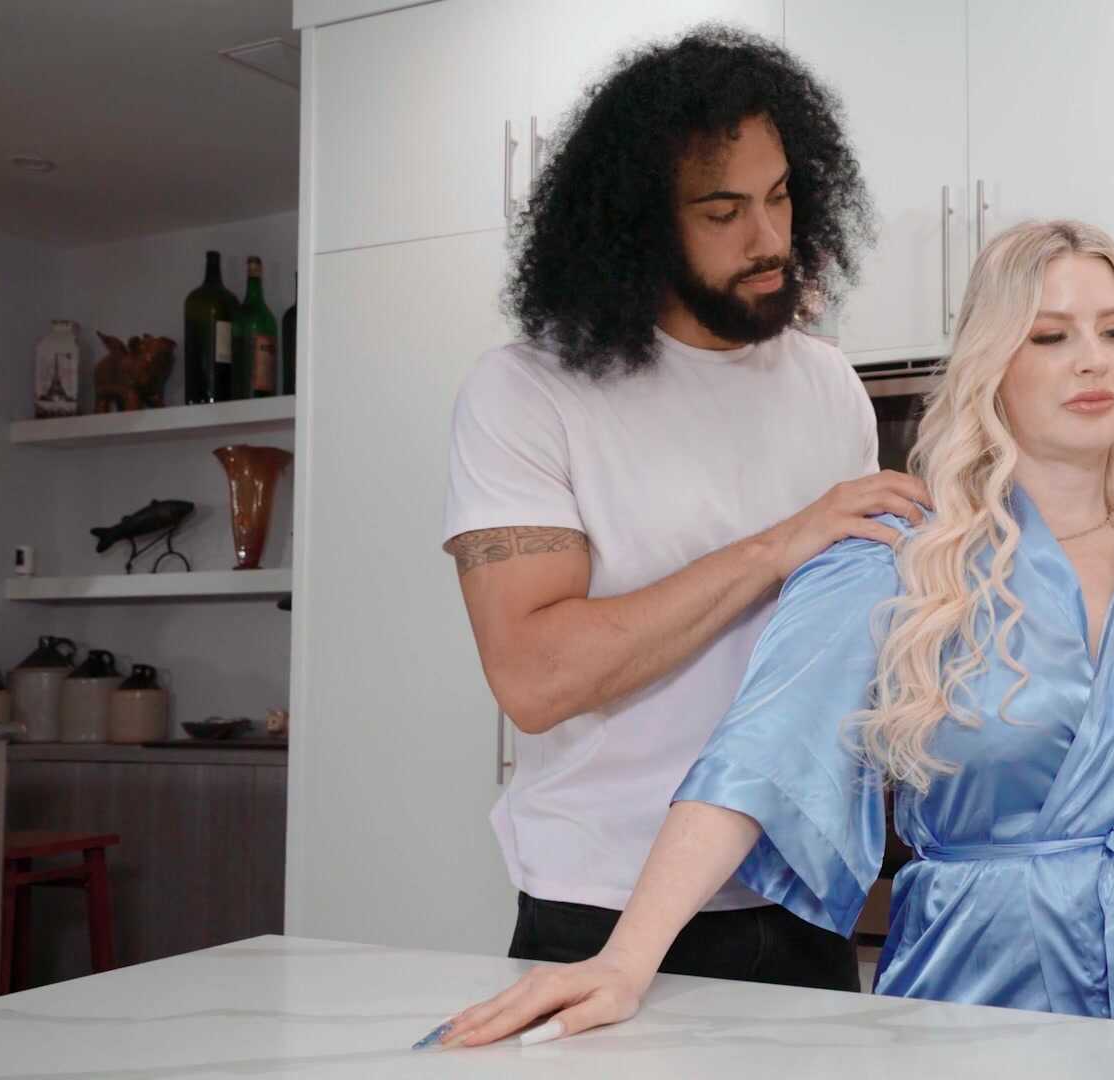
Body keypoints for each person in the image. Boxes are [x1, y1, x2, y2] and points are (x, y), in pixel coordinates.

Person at [436, 221, 1114, 1049]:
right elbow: (757, 761)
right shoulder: (903, 558)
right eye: (1050, 336)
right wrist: (625, 961)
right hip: (986, 997)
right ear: (992, 363)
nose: (1092, 362)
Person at [438, 26, 928, 996]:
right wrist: (778, 546)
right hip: (600, 904)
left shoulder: (827, 385)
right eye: (723, 211)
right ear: (639, 226)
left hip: (801, 897)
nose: (770, 239)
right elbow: (534, 677)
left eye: (780, 195)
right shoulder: (527, 391)